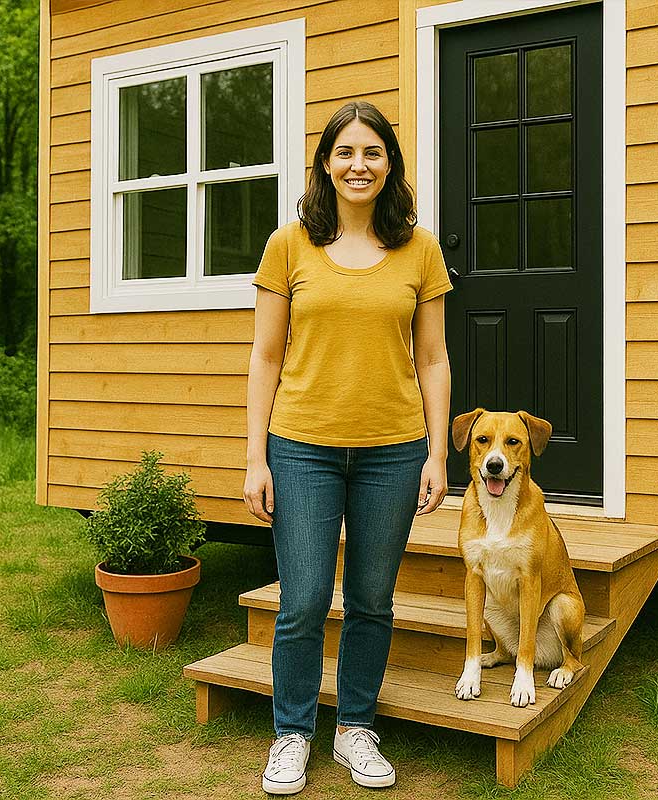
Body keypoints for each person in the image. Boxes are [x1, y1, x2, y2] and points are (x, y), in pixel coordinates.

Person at [243, 100, 452, 795]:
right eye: (345, 153)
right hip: (302, 447)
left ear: (389, 164)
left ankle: (355, 728)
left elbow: (432, 359)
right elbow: (266, 357)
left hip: (393, 451)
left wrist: (435, 454)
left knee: (371, 600)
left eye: (372, 153)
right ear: (325, 164)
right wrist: (255, 458)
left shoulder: (419, 249)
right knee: (301, 599)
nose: (358, 165)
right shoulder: (289, 244)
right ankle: (292, 735)